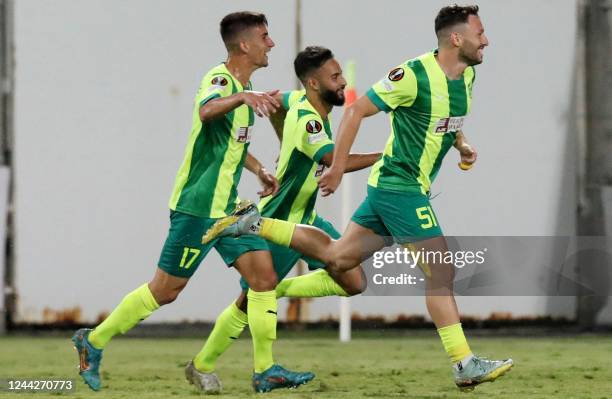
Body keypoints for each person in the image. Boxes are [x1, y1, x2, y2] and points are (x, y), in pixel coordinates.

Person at [203, 5, 513, 392]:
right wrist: (334, 169)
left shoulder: (465, 77)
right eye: (480, 33)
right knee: (441, 270)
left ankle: (254, 224)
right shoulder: (412, 75)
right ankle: (464, 364)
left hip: (397, 187)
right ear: (456, 38)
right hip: (399, 188)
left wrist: (462, 145)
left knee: (338, 259)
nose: (486, 40)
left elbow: (446, 122)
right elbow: (355, 112)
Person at [71, 11, 313, 392]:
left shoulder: (245, 92)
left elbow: (229, 146)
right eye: (265, 36)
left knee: (264, 278)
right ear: (245, 44)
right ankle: (94, 341)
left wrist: (260, 170)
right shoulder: (220, 80)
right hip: (198, 209)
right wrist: (241, 96)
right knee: (164, 291)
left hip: (230, 209)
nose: (272, 44)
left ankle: (266, 370)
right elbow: (206, 110)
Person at [190, 46, 381, 393]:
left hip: (307, 217)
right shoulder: (309, 120)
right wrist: (387, 156)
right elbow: (331, 159)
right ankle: (203, 364)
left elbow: (279, 103)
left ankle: (280, 291)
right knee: (248, 302)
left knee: (353, 280)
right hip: (281, 220)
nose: (343, 83)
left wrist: (282, 139)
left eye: (341, 75)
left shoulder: (301, 102)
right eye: (335, 77)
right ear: (313, 82)